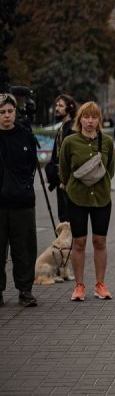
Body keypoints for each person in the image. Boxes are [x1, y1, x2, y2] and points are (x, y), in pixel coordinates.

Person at [59, 102, 115, 302]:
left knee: (100, 241)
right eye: (86, 117)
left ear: (99, 119)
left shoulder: (107, 142)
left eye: (94, 117)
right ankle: (79, 286)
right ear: (80, 119)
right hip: (77, 198)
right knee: (79, 242)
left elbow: (111, 169)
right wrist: (70, 186)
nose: (90, 121)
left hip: (101, 198)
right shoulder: (70, 142)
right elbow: (64, 170)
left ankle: (100, 285)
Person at [0, 94, 38, 308]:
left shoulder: (25, 135)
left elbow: (32, 164)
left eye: (10, 111)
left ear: (15, 112)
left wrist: (23, 186)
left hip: (22, 202)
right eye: (2, 112)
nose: (7, 115)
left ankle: (25, 290)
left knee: (24, 248)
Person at [49, 94, 77, 222]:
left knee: (69, 217)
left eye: (60, 105)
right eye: (56, 105)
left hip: (69, 181)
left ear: (70, 107)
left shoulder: (73, 128)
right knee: (63, 216)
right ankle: (65, 241)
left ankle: (69, 242)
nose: (57, 108)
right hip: (60, 180)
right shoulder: (62, 127)